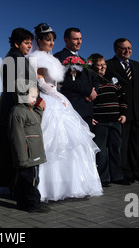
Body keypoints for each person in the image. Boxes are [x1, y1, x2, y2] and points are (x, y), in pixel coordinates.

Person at [27, 23, 103, 201]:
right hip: (49, 98)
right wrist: (56, 94)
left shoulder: (53, 59)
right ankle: (46, 187)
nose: (51, 43)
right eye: (47, 40)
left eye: (52, 40)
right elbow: (40, 81)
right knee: (51, 143)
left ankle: (71, 184)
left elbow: (58, 82)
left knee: (73, 143)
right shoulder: (37, 57)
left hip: (57, 97)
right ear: (39, 40)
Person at [0, 27, 40, 194]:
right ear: (17, 43)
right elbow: (21, 87)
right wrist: (33, 104)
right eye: (26, 43)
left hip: (9, 108)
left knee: (8, 151)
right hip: (17, 109)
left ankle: (5, 185)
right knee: (17, 151)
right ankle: (15, 188)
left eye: (30, 43)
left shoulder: (11, 57)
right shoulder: (17, 59)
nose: (30, 46)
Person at [105, 38, 139, 183]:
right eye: (124, 48)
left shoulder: (137, 65)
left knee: (136, 144)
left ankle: (137, 171)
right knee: (123, 144)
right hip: (122, 112)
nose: (127, 51)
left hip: (138, 110)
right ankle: (125, 173)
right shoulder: (109, 65)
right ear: (116, 49)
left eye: (130, 48)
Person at [89, 53, 129, 187]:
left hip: (115, 120)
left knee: (116, 148)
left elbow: (122, 96)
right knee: (101, 150)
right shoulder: (91, 80)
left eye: (104, 64)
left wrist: (123, 113)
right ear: (93, 66)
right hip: (101, 121)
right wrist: (91, 117)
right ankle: (103, 178)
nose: (102, 67)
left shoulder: (112, 79)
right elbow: (89, 101)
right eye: (99, 65)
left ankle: (117, 176)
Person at [9, 85, 49, 213]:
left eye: (36, 97)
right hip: (27, 156)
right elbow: (17, 137)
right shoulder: (18, 112)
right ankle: (33, 205)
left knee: (29, 180)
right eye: (32, 97)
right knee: (30, 181)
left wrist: (39, 108)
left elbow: (36, 120)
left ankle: (23, 203)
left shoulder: (29, 111)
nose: (34, 99)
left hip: (33, 155)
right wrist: (22, 158)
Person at [54, 27, 98, 128]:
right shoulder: (60, 57)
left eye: (80, 39)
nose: (79, 42)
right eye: (75, 39)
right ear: (66, 40)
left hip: (88, 108)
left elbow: (94, 79)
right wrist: (88, 92)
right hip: (73, 107)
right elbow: (66, 80)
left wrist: (94, 91)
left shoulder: (83, 60)